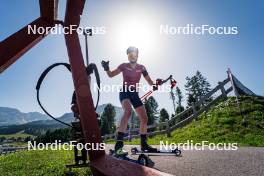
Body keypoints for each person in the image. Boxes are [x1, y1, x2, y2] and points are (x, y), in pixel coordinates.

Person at [101, 46, 160, 155]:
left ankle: (144, 145)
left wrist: (155, 85)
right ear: (128, 56)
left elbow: (150, 81)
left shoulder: (142, 67)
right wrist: (106, 68)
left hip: (135, 94)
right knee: (127, 111)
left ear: (137, 55)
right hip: (125, 91)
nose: (132, 56)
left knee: (144, 118)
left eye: (134, 54)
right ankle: (118, 146)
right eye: (130, 55)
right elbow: (110, 75)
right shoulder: (124, 66)